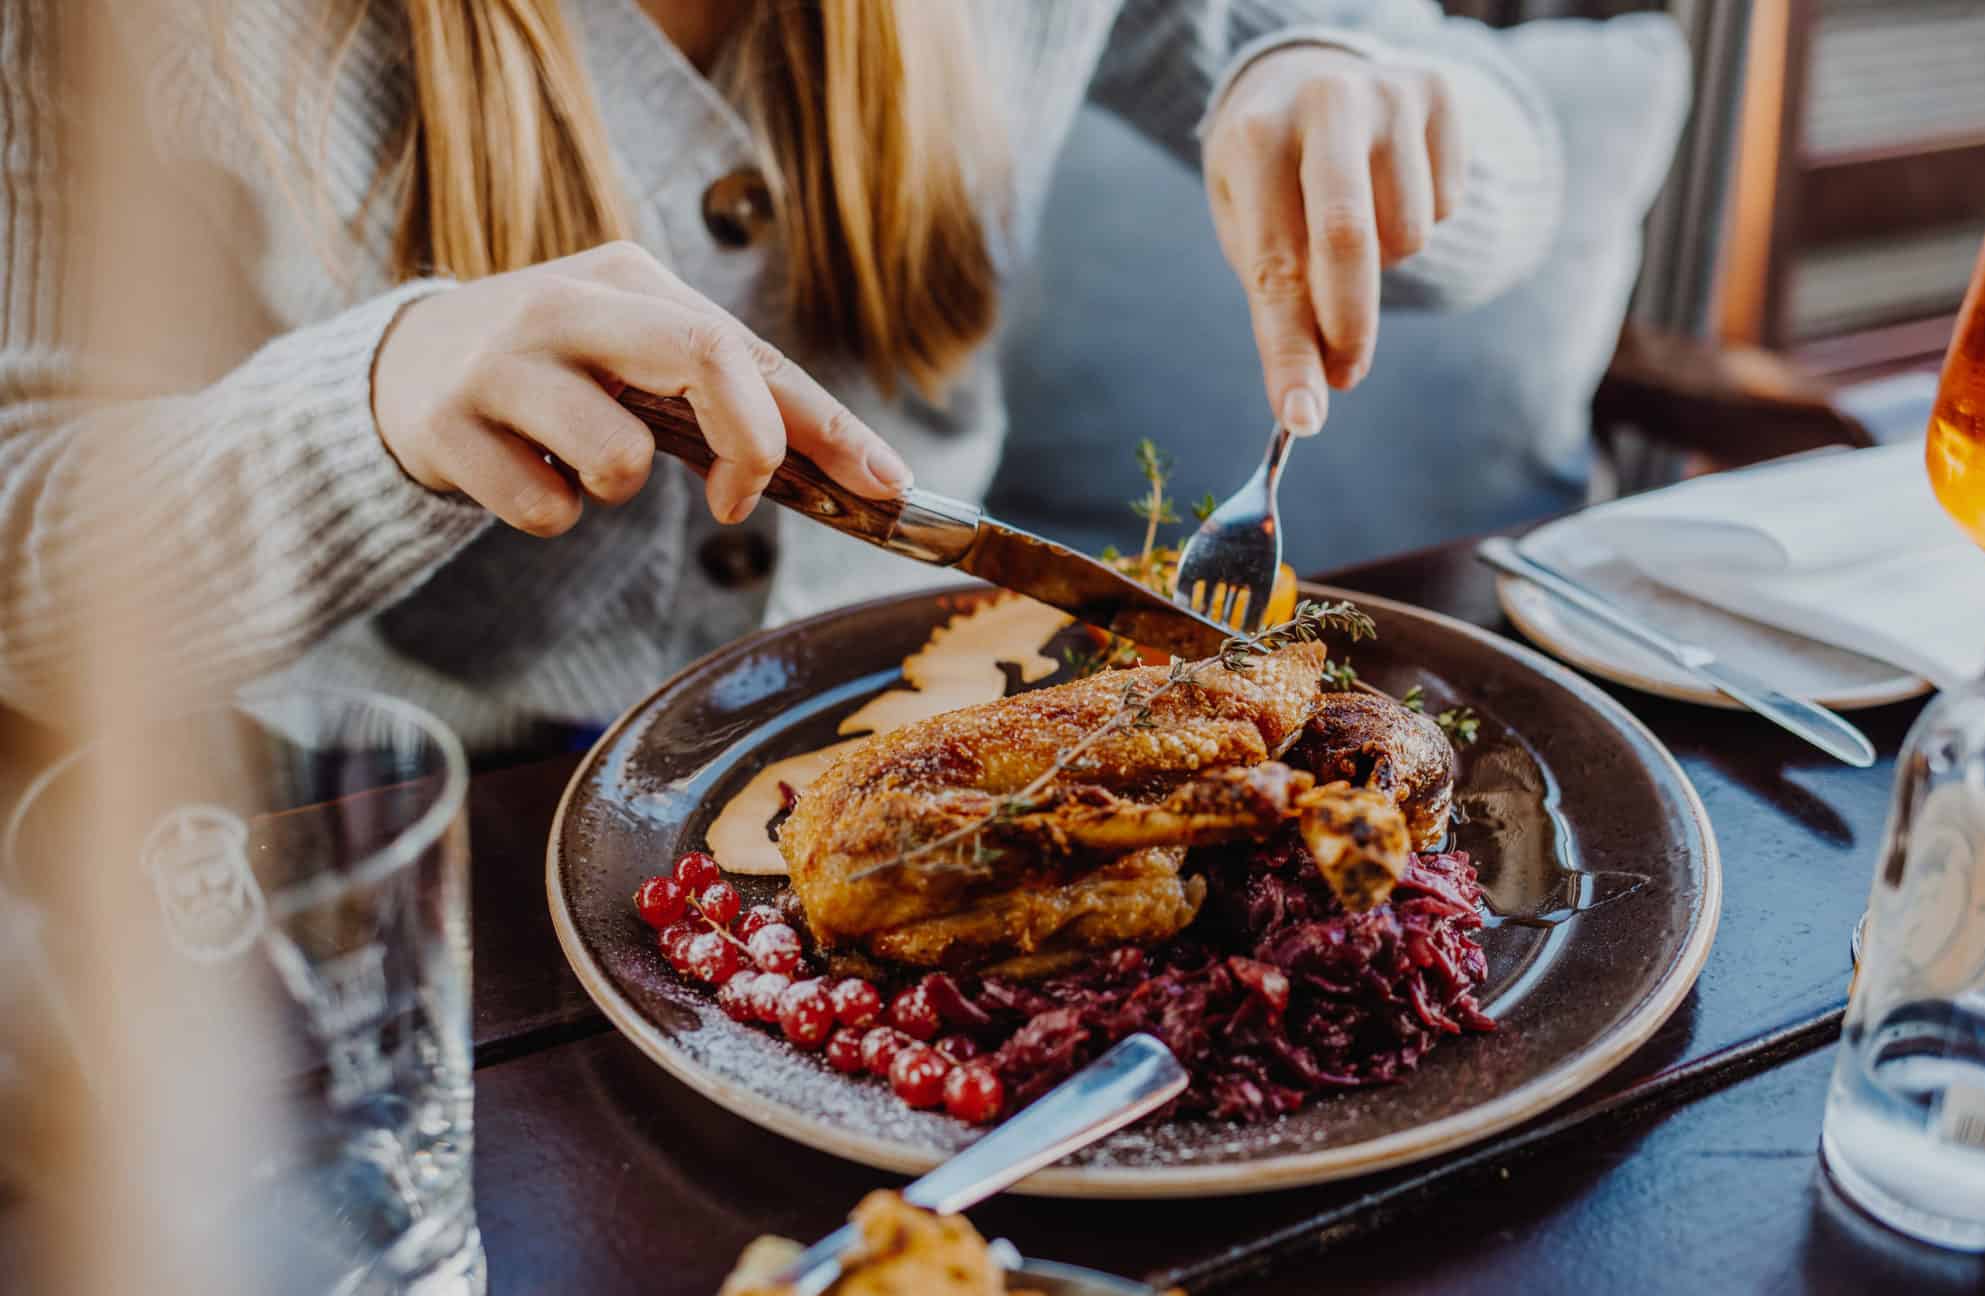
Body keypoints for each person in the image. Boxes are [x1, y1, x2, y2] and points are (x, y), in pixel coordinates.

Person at [0, 0, 1560, 755]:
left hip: (905, 769)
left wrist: (1350, 86)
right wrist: (376, 404)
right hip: (385, 877)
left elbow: (1476, 145)